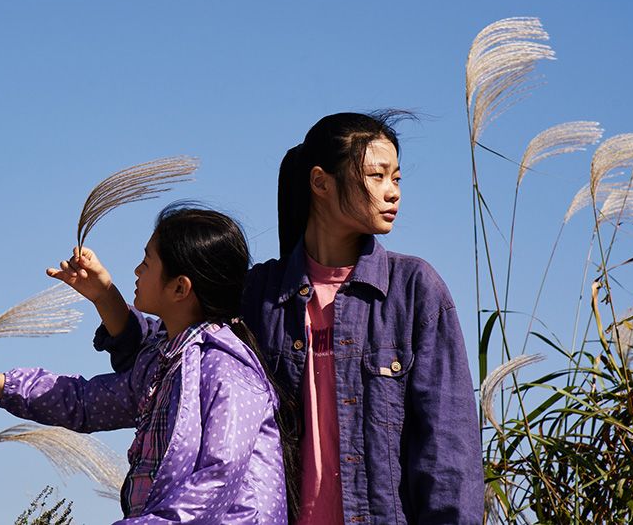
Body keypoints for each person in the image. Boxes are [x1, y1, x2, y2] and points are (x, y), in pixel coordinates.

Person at [74, 112, 484, 524]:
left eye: (396, 178)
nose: (392, 192)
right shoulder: (259, 294)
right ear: (320, 182)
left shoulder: (412, 290)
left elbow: (449, 450)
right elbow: (169, 357)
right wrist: (105, 296)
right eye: (377, 176)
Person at [0, 206, 291, 525]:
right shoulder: (163, 361)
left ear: (180, 288)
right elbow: (84, 402)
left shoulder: (228, 371)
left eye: (147, 262)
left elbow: (217, 479)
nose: (136, 271)